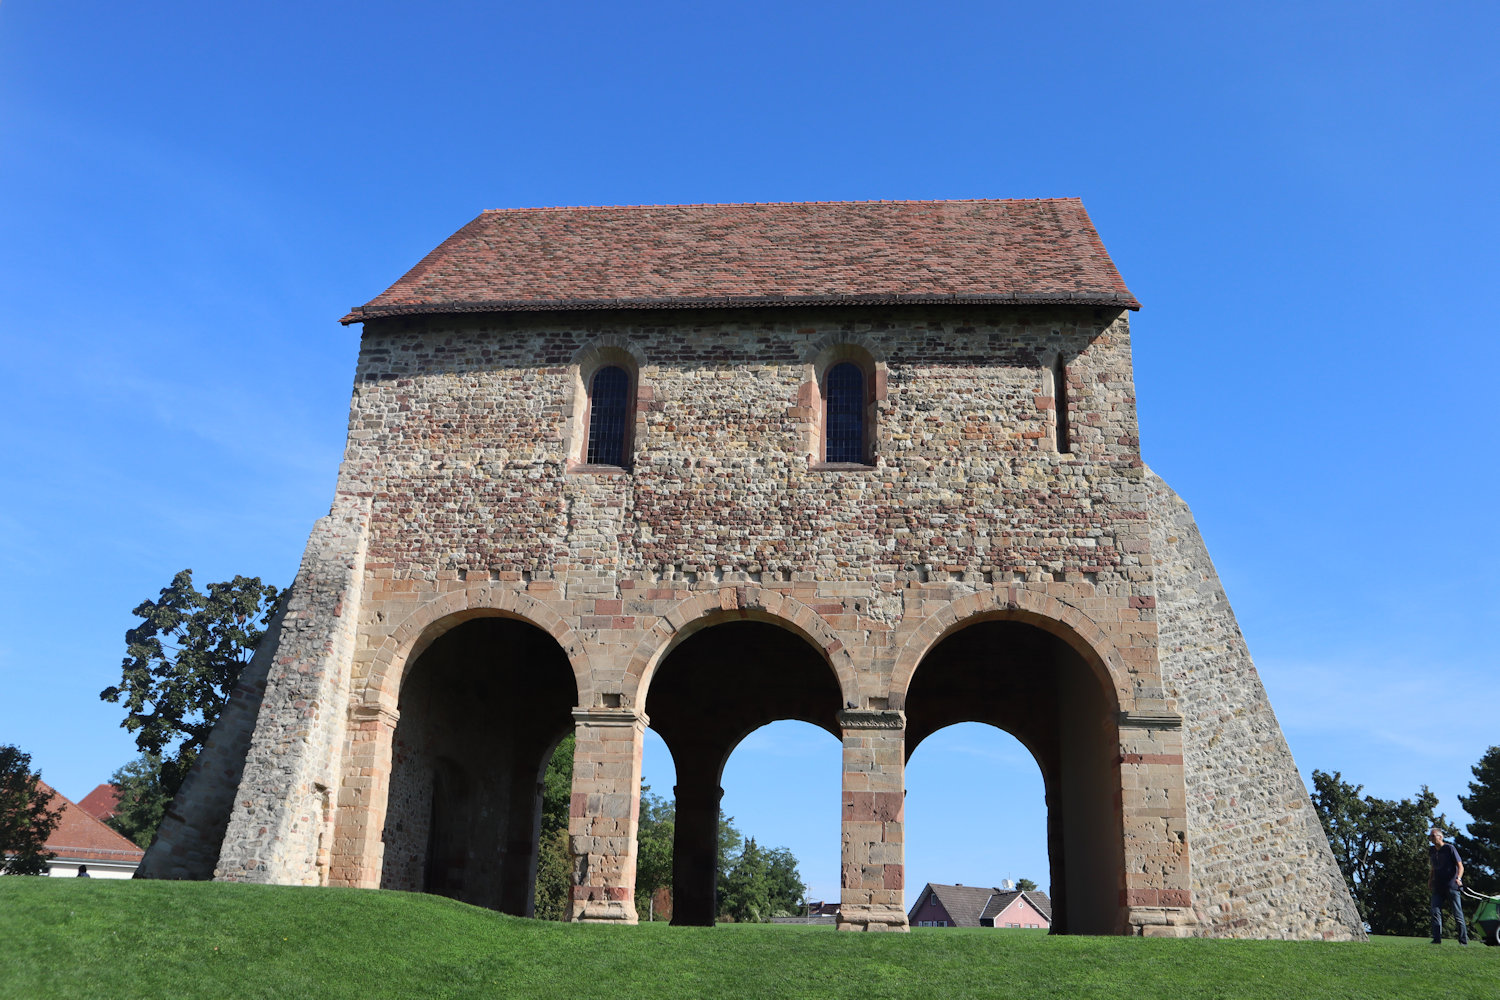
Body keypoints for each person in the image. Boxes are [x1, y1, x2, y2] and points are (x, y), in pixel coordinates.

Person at [1429, 827, 1468, 944]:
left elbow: (1460, 866)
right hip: (1438, 886)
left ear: (1440, 837)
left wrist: (1459, 878)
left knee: (1457, 914)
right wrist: (1430, 880)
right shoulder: (1431, 850)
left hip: (1451, 886)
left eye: (1433, 836)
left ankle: (1463, 941)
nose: (1430, 838)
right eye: (1430, 836)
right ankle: (1437, 940)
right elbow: (1433, 867)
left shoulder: (1449, 848)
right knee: (1435, 911)